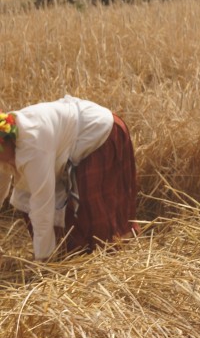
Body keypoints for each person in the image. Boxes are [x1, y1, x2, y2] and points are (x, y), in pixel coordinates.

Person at [0, 96, 138, 261]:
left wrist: (43, 262)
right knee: (26, 198)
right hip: (73, 137)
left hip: (100, 132)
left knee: (93, 209)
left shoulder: (33, 147)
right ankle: (69, 253)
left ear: (6, 141)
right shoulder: (6, 144)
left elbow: (42, 204)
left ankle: (115, 256)